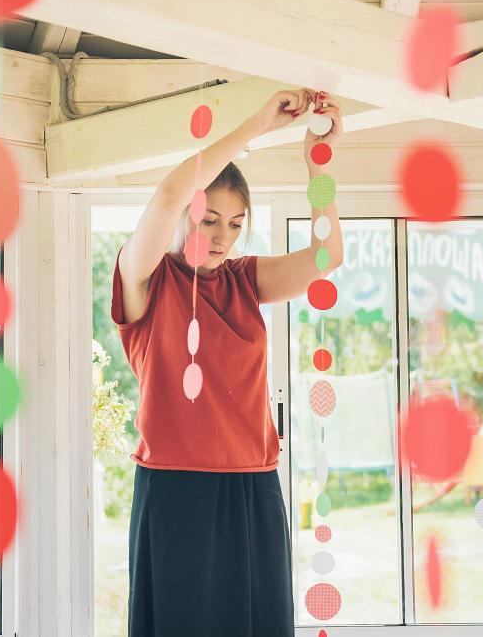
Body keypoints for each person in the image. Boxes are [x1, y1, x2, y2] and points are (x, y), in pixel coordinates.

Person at [111, 89, 344, 636]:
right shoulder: (146, 278)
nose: (222, 237)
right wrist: (259, 124)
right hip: (175, 486)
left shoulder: (243, 281)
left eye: (236, 224)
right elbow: (169, 195)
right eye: (209, 219)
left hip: (252, 485)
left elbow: (328, 256)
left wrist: (318, 158)